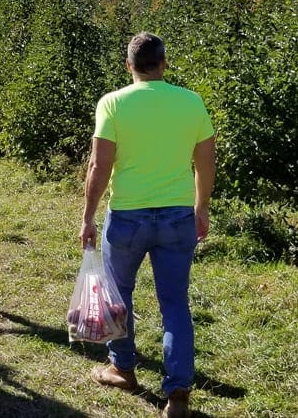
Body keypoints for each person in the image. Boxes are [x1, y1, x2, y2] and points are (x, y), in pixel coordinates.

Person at [79, 32, 215, 417]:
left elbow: (99, 165)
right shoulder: (191, 102)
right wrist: (200, 207)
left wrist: (88, 216)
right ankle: (177, 395)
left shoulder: (113, 103)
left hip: (127, 218)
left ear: (129, 66)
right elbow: (206, 162)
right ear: (164, 63)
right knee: (175, 304)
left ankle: (123, 369)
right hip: (176, 217)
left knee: (118, 296)